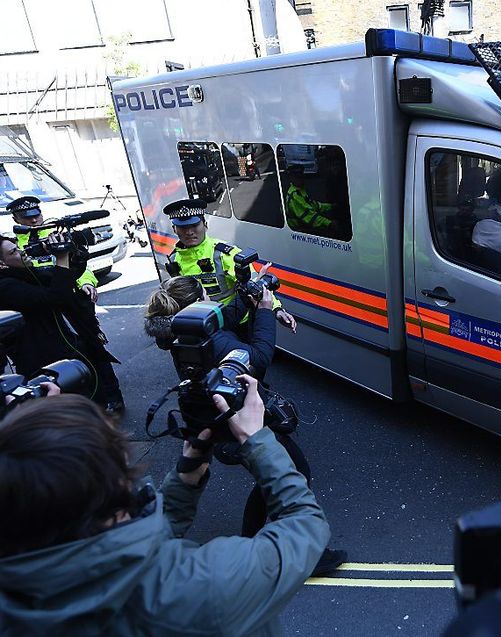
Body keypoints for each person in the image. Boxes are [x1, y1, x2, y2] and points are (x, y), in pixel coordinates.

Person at [0, 382, 329, 634]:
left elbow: (112, 557)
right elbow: (305, 524)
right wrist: (257, 440)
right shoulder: (204, 585)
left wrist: (182, 485)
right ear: (115, 483)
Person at [143, 275, 346, 576]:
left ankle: (250, 540)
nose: (213, 301)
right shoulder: (216, 341)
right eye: (207, 296)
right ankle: (304, 552)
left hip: (214, 420)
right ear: (199, 306)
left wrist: (246, 293)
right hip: (239, 422)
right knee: (291, 473)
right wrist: (264, 310)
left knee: (272, 477)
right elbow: (259, 356)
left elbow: (225, 318)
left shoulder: (185, 335)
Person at [0, 234, 123, 412]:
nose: (22, 252)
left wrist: (72, 252)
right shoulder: (5, 287)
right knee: (75, 409)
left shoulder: (23, 272)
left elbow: (62, 277)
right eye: (14, 252)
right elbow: (57, 296)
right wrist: (61, 257)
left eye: (18, 247)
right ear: (2, 263)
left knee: (94, 390)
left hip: (67, 344)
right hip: (43, 357)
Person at [163, 199, 297, 332]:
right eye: (183, 227)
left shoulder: (224, 254)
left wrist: (277, 309)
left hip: (236, 323)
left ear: (205, 224)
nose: (189, 232)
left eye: (194, 225)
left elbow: (255, 285)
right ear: (175, 229)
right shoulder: (174, 259)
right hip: (201, 326)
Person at [7, 196, 100, 301]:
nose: (33, 220)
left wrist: (86, 282)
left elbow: (77, 264)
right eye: (26, 217)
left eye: (36, 215)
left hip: (69, 291)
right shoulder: (12, 246)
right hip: (40, 297)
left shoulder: (59, 236)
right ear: (15, 219)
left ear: (41, 213)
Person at [284, 166, 338, 236]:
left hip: (301, 226)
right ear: (291, 178)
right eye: (298, 177)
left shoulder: (300, 189)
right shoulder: (295, 196)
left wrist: (331, 206)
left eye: (301, 176)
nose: (301, 179)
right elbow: (310, 216)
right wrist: (330, 223)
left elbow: (312, 205)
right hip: (297, 231)